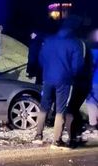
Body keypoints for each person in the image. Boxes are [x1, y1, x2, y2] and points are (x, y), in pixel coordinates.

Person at [34, 16, 85, 148]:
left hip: (48, 77)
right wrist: (71, 74)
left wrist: (47, 70)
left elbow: (41, 58)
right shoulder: (75, 43)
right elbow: (78, 65)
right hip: (64, 79)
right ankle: (57, 140)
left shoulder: (49, 41)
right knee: (60, 109)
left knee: (44, 106)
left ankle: (38, 135)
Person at [85, 30, 98, 133]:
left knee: (91, 101)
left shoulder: (93, 52)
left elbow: (91, 67)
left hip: (94, 80)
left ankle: (93, 124)